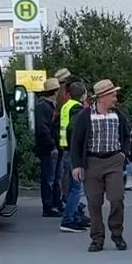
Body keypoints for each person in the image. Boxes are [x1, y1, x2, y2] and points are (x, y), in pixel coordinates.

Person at [65, 79, 132, 251]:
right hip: (92, 162)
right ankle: (97, 239)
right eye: (112, 95)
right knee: (94, 202)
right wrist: (77, 165)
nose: (115, 98)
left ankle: (117, 234)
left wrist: (123, 154)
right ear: (102, 97)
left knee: (117, 198)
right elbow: (76, 142)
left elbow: (126, 136)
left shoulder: (118, 114)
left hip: (114, 161)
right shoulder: (85, 115)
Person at [56, 79, 89, 233]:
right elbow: (74, 129)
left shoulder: (66, 106)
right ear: (83, 96)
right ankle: (69, 220)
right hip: (72, 150)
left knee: (71, 187)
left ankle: (74, 216)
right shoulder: (77, 108)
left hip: (65, 148)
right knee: (76, 188)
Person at [33, 77, 63, 216]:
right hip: (49, 149)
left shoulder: (49, 105)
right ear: (55, 91)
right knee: (49, 179)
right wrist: (52, 145)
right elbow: (43, 129)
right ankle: (48, 206)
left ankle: (55, 204)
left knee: (55, 178)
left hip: (53, 147)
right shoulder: (44, 106)